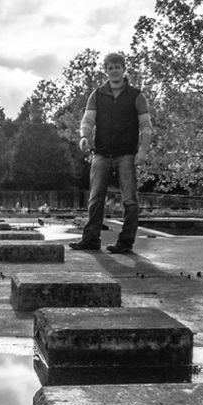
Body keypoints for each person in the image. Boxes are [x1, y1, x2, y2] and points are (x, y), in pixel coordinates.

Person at [69, 51, 152, 254]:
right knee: (95, 198)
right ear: (106, 71)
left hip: (126, 154)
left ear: (124, 69)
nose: (114, 71)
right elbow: (88, 121)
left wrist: (143, 151)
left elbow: (146, 126)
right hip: (102, 154)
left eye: (117, 67)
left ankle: (125, 243)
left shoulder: (136, 95)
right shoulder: (97, 94)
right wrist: (83, 136)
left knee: (130, 200)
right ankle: (90, 239)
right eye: (110, 68)